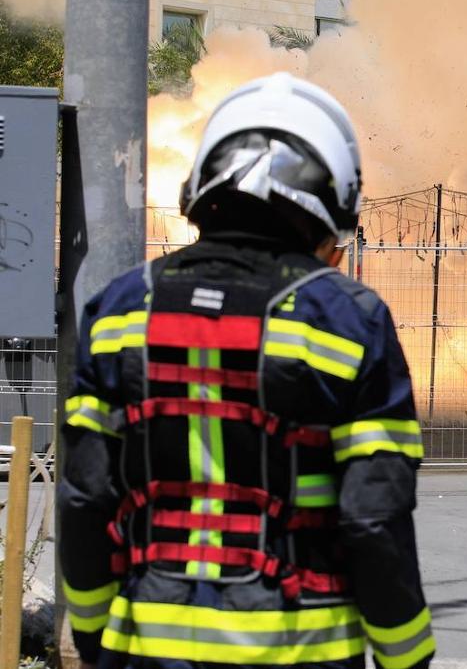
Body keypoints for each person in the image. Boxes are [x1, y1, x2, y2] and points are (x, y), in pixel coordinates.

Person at [57, 72, 436, 669]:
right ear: (327, 200)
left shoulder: (119, 311)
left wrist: (90, 633)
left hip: (142, 650)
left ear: (205, 184)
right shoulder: (348, 321)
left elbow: (84, 499)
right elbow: (374, 521)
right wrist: (406, 657)